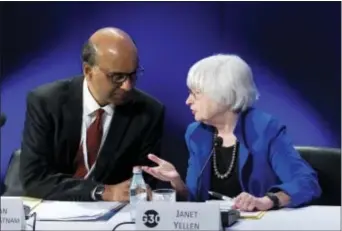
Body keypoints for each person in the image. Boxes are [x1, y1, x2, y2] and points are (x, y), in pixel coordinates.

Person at [142, 54, 321, 211]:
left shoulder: (265, 128)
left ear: (222, 95)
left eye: (195, 93)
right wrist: (176, 181)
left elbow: (306, 183)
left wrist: (267, 201)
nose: (188, 101)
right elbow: (195, 201)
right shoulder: (196, 134)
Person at [20, 27, 165, 201]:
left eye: (132, 75)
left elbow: (143, 183)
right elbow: (34, 179)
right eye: (117, 76)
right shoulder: (46, 103)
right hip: (52, 209)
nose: (127, 86)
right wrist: (102, 191)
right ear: (88, 71)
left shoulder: (148, 113)